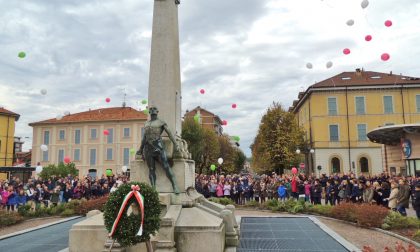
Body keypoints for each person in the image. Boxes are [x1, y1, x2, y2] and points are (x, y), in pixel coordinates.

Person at [137, 106, 180, 194]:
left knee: (166, 166)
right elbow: (144, 138)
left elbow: (170, 134)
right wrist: (140, 149)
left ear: (157, 111)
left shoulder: (161, 122)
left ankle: (174, 185)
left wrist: (176, 144)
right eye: (151, 109)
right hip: (148, 149)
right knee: (151, 169)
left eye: (154, 109)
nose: (152, 110)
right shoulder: (146, 124)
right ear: (149, 112)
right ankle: (153, 188)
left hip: (159, 148)